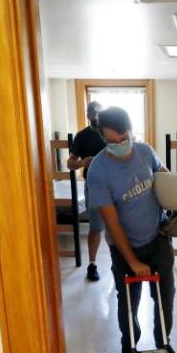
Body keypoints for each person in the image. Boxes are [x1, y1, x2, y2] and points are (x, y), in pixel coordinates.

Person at [85, 106, 177, 353]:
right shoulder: (98, 171)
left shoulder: (145, 151)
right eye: (111, 141)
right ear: (103, 138)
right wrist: (133, 260)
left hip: (158, 238)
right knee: (128, 301)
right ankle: (130, 344)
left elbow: (165, 177)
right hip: (124, 246)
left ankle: (164, 344)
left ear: (130, 131)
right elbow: (112, 224)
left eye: (123, 138)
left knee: (165, 297)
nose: (118, 145)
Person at [67, 101, 106, 281]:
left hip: (116, 183)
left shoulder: (110, 132)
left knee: (122, 225)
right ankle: (92, 264)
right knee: (96, 226)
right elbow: (70, 163)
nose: (94, 116)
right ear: (87, 115)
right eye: (91, 114)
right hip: (94, 184)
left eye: (97, 113)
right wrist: (83, 162)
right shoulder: (82, 136)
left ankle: (122, 264)